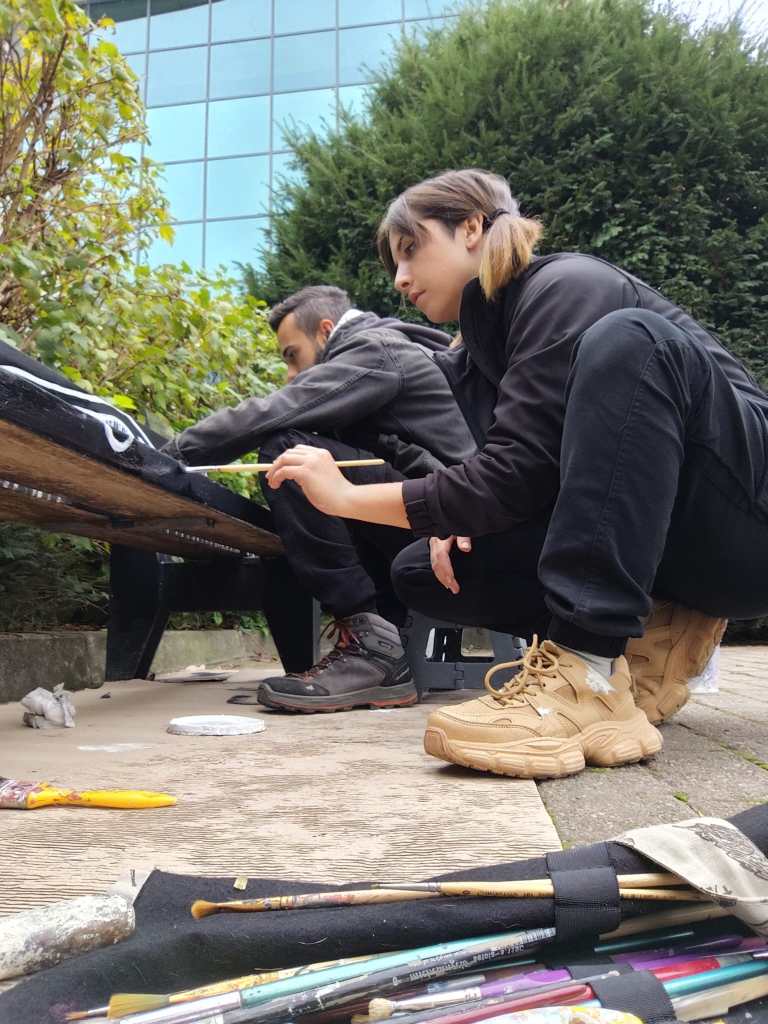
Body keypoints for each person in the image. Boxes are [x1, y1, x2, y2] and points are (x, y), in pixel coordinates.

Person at [264, 168, 768, 779]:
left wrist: (344, 497)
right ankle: (655, 634)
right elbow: (516, 479)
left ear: (471, 228)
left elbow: (513, 478)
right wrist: (463, 517)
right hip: (671, 542)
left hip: (746, 517)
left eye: (411, 249)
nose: (399, 278)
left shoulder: (566, 285)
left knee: (633, 338)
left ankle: (588, 669)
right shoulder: (477, 356)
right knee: (430, 569)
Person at [163, 285, 476, 712]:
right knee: (324, 464)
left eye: (292, 355)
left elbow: (275, 410)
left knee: (291, 454)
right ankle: (381, 644)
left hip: (454, 524)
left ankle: (372, 647)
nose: (291, 373)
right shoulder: (391, 350)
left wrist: (167, 456)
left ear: (326, 330)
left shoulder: (374, 350)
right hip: (452, 510)